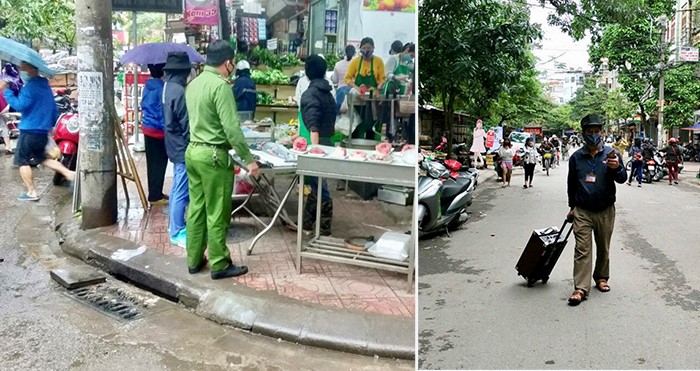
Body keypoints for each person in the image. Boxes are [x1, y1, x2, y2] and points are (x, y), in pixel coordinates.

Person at [184, 40, 260, 279]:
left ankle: (194, 259)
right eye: (233, 63)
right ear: (228, 63)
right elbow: (232, 128)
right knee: (217, 210)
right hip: (214, 156)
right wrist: (249, 160)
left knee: (196, 208)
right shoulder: (221, 87)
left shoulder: (193, 85)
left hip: (193, 151)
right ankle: (219, 263)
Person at [566, 114, 627, 306]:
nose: (594, 135)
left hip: (605, 210)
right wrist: (572, 207)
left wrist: (616, 168)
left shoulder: (612, 154)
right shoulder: (576, 157)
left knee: (604, 246)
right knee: (582, 249)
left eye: (597, 131)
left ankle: (601, 278)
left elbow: (623, 178)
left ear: (601, 133)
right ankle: (581, 288)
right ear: (583, 134)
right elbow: (571, 184)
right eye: (590, 132)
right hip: (582, 211)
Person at [0, 61, 75, 201]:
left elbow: (19, 105)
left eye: (23, 68)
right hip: (42, 130)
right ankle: (70, 174)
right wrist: (50, 126)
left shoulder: (30, 87)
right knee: (42, 158)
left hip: (29, 130)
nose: (21, 70)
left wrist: (7, 91)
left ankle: (31, 192)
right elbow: (54, 109)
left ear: (30, 70)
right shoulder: (45, 85)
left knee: (22, 161)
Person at [300, 55, 337, 235]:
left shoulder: (310, 94)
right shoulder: (328, 93)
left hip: (317, 145)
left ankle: (324, 227)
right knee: (317, 184)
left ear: (307, 73)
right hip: (328, 143)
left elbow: (314, 126)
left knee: (320, 187)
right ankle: (307, 222)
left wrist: (314, 151)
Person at [162, 52, 193, 249]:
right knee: (182, 189)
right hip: (182, 146)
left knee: (176, 189)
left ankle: (173, 225)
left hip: (172, 144)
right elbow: (185, 123)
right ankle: (177, 231)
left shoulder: (167, 87)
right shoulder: (180, 91)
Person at [344, 37, 386, 139]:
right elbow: (347, 79)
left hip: (372, 99)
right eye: (364, 47)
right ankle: (354, 147)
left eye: (369, 48)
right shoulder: (356, 62)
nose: (367, 50)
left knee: (370, 125)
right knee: (356, 124)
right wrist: (357, 88)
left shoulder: (378, 61)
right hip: (358, 99)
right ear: (360, 48)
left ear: (373, 48)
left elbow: (382, 79)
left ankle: (369, 145)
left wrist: (378, 89)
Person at [141, 63, 169, 206]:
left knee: (152, 163)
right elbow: (163, 113)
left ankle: (155, 192)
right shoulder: (162, 88)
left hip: (147, 128)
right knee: (160, 163)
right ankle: (155, 195)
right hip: (158, 131)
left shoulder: (147, 86)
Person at [332, 45, 356, 113]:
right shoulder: (356, 64)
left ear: (345, 52)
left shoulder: (338, 64)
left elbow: (335, 80)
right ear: (354, 53)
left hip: (340, 92)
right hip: (353, 92)